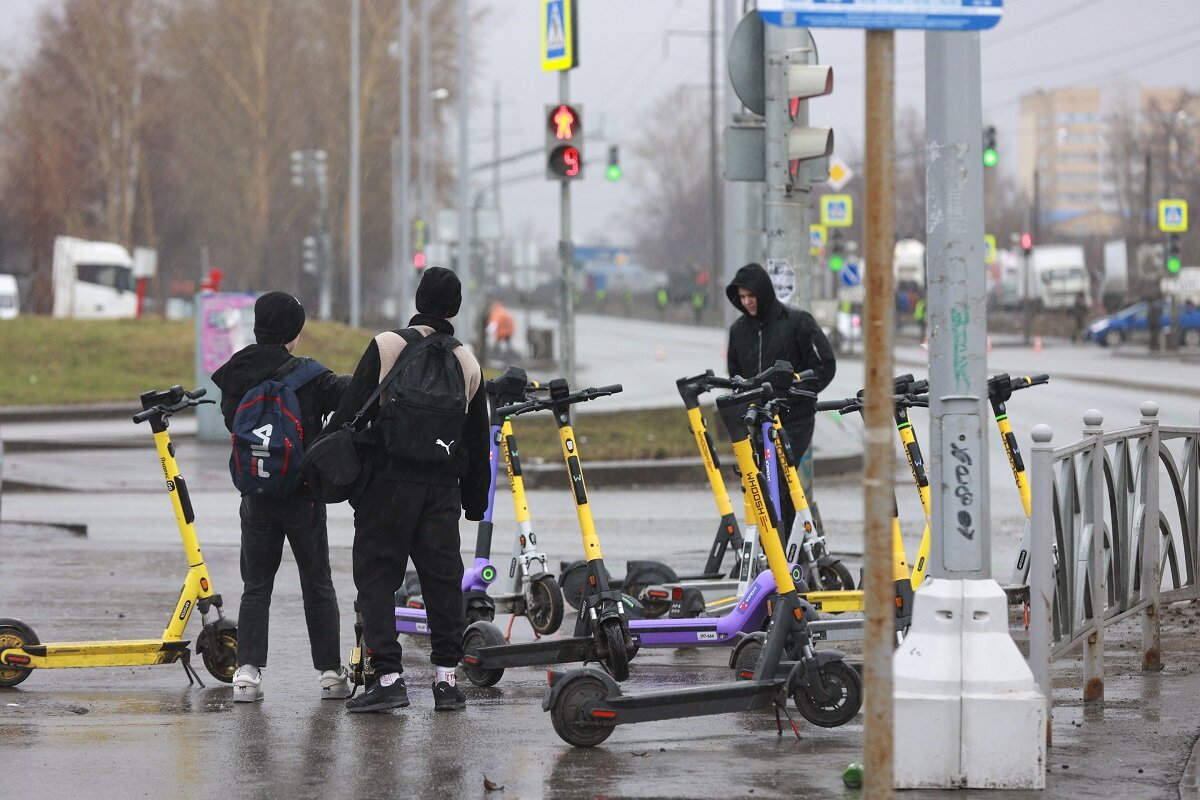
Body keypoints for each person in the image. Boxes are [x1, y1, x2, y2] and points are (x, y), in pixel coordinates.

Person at [325, 266, 490, 713]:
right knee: (442, 582)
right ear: (455, 308)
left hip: (386, 484)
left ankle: (390, 679)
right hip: (441, 490)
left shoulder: (386, 346)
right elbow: (476, 440)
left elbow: (348, 413)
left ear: (418, 299)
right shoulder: (467, 362)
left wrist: (345, 476)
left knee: (377, 578)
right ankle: (446, 681)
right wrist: (474, 504)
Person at [211, 291, 352, 703]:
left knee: (256, 585)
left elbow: (232, 425)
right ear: (294, 330)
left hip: (255, 494)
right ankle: (329, 673)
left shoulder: (235, 373)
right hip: (302, 496)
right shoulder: (310, 376)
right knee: (317, 583)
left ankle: (247, 674)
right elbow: (347, 396)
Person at [726, 263, 837, 536]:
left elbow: (825, 364)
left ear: (763, 292)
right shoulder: (739, 330)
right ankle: (774, 546)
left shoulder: (797, 323)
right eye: (741, 297)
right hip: (760, 420)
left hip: (794, 420)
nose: (747, 302)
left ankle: (786, 550)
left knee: (780, 480)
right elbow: (736, 374)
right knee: (763, 482)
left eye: (751, 296)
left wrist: (801, 392)